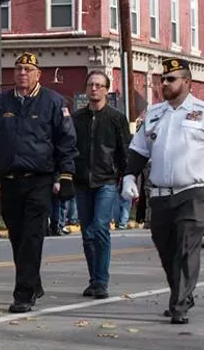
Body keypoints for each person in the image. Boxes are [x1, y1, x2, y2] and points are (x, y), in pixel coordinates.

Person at [122, 58, 204, 325]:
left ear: (188, 82)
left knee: (186, 248)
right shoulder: (154, 113)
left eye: (171, 79)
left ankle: (179, 305)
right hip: (161, 195)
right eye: (163, 79)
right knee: (167, 249)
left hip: (193, 192)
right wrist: (129, 175)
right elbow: (139, 149)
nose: (165, 83)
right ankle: (182, 293)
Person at [0, 52, 77, 314]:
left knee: (32, 236)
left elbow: (66, 143)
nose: (22, 73)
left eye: (28, 69)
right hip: (9, 181)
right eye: (18, 68)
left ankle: (23, 294)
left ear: (38, 74)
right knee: (18, 237)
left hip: (39, 181)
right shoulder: (1, 104)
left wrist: (65, 176)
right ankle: (34, 281)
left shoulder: (53, 102)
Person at [72, 71, 130, 300]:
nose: (94, 89)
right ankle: (94, 280)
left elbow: (125, 151)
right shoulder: (77, 119)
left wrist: (127, 177)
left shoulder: (116, 118)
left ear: (107, 89)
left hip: (106, 180)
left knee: (100, 227)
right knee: (87, 233)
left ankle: (102, 281)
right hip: (82, 181)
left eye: (98, 85)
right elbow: (69, 149)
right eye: (90, 85)